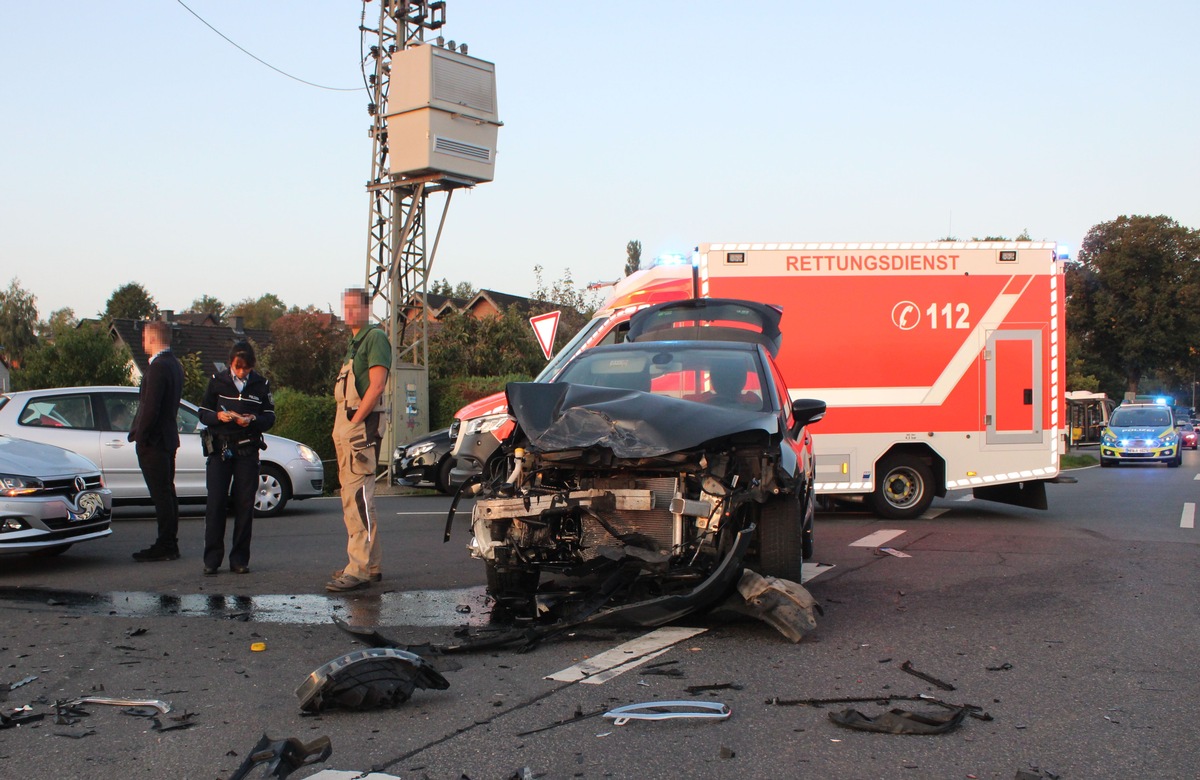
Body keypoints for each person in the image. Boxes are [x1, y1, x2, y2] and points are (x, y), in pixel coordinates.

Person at [326, 288, 391, 592]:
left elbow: (376, 387)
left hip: (360, 427)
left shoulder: (375, 338)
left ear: (368, 309)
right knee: (357, 499)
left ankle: (360, 568)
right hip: (349, 425)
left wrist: (354, 422)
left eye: (355, 307)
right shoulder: (355, 343)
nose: (349, 313)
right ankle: (370, 564)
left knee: (358, 501)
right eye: (346, 307)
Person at [197, 341, 275, 576]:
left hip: (247, 451)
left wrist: (252, 420)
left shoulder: (261, 384)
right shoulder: (217, 381)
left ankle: (239, 559)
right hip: (220, 449)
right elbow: (203, 412)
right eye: (238, 367)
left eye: (246, 369)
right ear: (230, 363)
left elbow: (269, 416)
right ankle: (212, 559)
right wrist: (219, 416)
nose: (242, 372)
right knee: (216, 505)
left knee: (244, 506)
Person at [128, 320, 185, 562]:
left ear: (152, 338)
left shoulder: (159, 367)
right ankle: (169, 542)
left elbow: (151, 407)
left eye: (144, 338)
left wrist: (141, 437)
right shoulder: (175, 365)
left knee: (161, 494)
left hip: (155, 441)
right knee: (167, 492)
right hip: (168, 437)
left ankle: (166, 544)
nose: (143, 343)